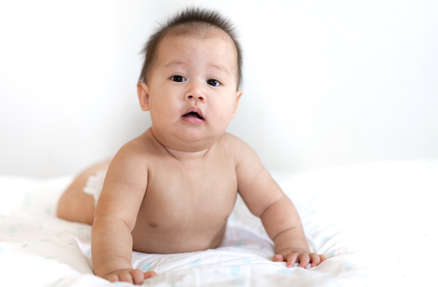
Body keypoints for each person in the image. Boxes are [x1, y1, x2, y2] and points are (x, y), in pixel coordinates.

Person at [56, 8, 326, 285]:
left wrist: (292, 242)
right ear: (146, 96)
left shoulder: (237, 155)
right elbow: (113, 222)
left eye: (213, 81)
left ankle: (103, 168)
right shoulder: (136, 159)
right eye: (178, 78)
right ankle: (96, 175)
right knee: (73, 205)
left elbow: (272, 204)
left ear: (234, 104)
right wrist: (114, 265)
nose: (196, 92)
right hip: (110, 195)